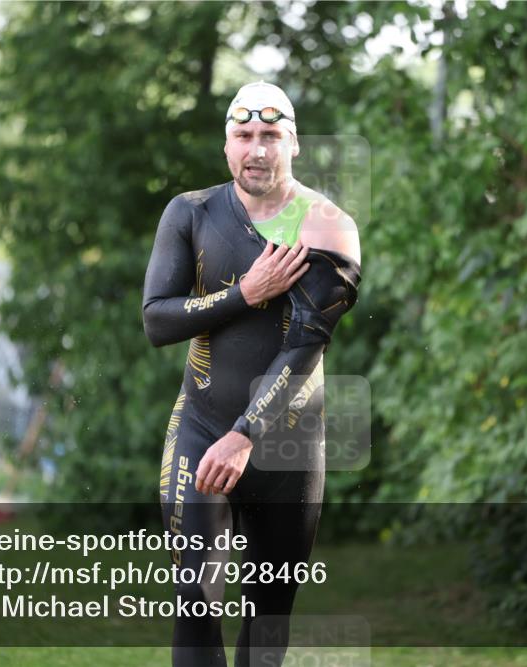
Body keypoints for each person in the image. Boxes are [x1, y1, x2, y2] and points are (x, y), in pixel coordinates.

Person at [143, 81, 362, 667]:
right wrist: (244, 293)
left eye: (270, 136)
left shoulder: (327, 227)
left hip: (286, 446)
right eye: (244, 136)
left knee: (267, 627)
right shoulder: (189, 212)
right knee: (194, 607)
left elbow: (304, 348)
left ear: (294, 144)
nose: (257, 150)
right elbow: (158, 321)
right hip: (199, 428)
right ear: (226, 146)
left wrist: (244, 433)